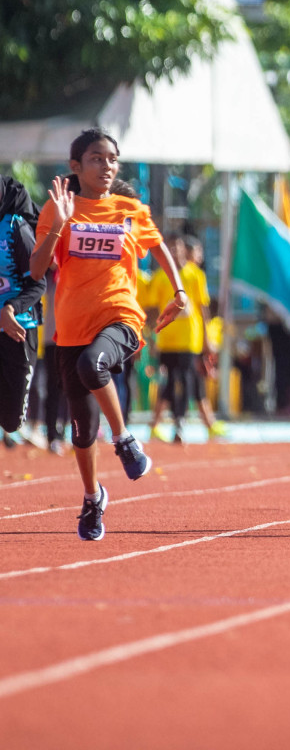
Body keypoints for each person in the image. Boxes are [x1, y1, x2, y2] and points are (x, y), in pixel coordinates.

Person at [30, 130, 175, 540]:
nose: (107, 165)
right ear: (76, 167)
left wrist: (178, 291)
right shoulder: (60, 208)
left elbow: (159, 246)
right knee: (79, 431)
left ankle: (125, 439)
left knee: (92, 364)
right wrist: (58, 225)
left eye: (112, 159)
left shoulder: (130, 209)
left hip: (121, 317)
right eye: (96, 158)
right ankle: (93, 497)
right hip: (71, 326)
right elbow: (38, 270)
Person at [144, 235, 223, 442]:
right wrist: (151, 339)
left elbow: (203, 308)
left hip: (190, 339)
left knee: (186, 379)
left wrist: (207, 339)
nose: (175, 253)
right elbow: (152, 311)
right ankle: (166, 422)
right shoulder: (160, 277)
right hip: (166, 339)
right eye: (170, 249)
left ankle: (179, 422)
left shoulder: (196, 275)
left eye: (178, 249)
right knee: (169, 381)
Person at [0, 176, 46, 446]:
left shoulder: (15, 227)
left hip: (18, 328)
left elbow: (38, 283)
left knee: (11, 420)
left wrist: (10, 309)